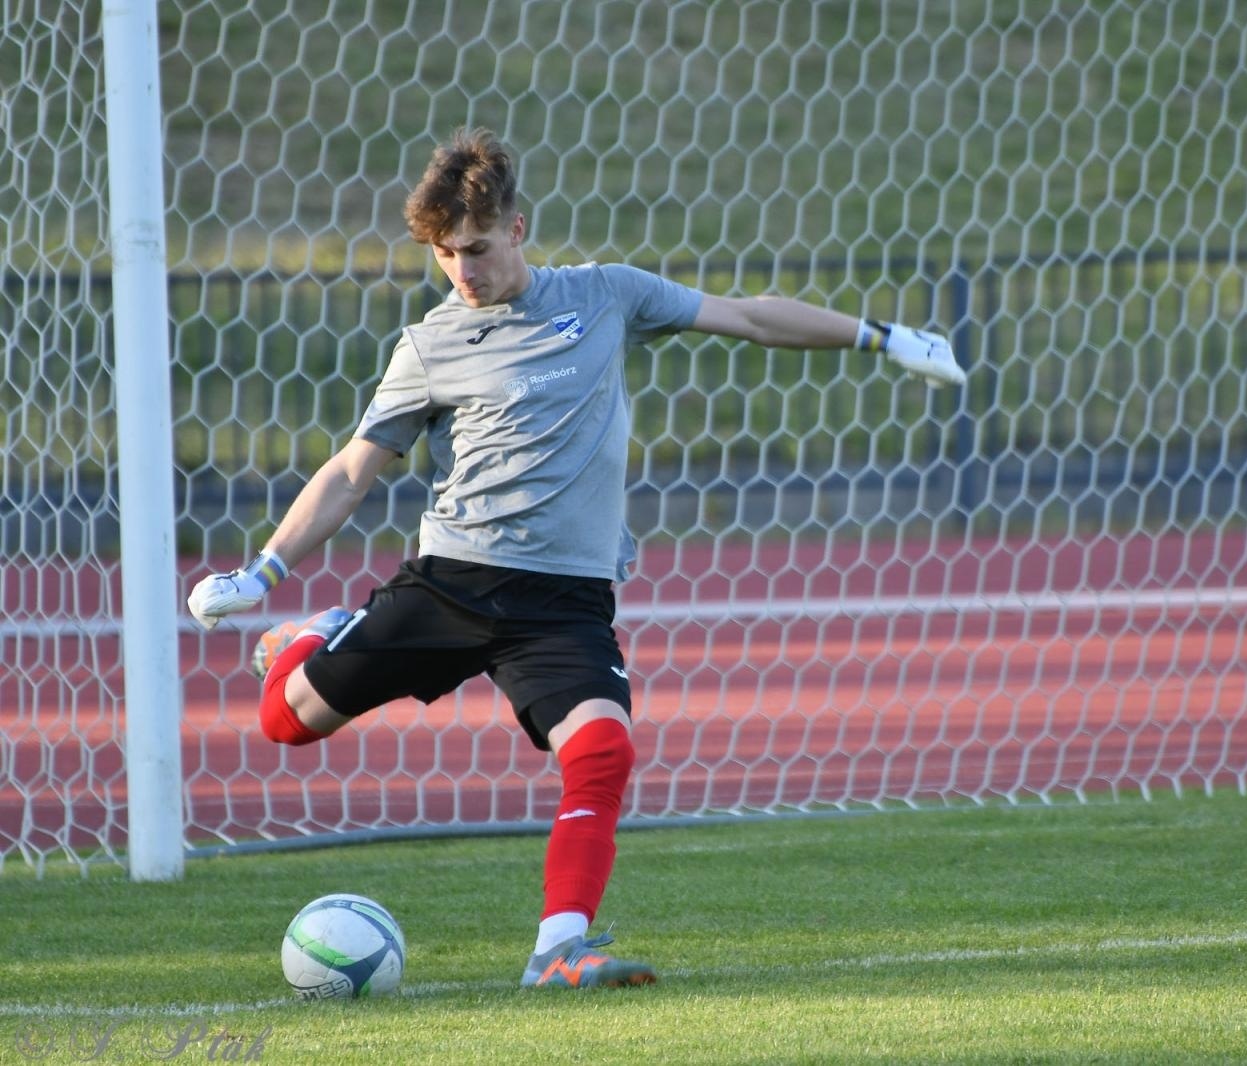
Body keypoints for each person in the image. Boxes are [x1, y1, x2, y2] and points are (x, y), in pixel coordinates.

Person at [186, 127, 966, 990]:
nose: (463, 271)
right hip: (453, 582)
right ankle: (307, 637)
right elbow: (349, 471)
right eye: (445, 254)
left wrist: (882, 337)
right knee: (286, 724)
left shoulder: (608, 296)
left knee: (603, 750)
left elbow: (745, 315)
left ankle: (557, 950)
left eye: (476, 248)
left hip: (564, 602)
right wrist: (262, 572)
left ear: (518, 228)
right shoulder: (430, 345)